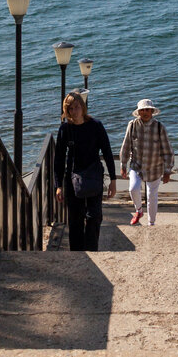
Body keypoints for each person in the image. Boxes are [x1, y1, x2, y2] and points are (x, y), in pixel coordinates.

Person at [54, 90, 117, 251]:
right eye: (70, 109)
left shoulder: (96, 126)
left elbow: (108, 153)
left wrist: (113, 180)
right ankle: (78, 255)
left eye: (77, 107)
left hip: (94, 176)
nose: (74, 112)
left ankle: (92, 250)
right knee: (75, 220)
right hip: (72, 178)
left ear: (83, 107)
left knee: (94, 216)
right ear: (66, 111)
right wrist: (58, 185)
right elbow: (59, 159)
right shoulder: (65, 130)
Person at [119, 98, 173, 226]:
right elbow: (126, 145)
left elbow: (167, 150)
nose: (145, 112)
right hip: (136, 166)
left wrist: (167, 171)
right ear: (138, 112)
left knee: (152, 197)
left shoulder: (159, 127)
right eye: (142, 110)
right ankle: (138, 210)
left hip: (155, 167)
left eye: (147, 110)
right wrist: (123, 164)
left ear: (152, 111)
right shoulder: (132, 125)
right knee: (133, 189)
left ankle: (151, 223)